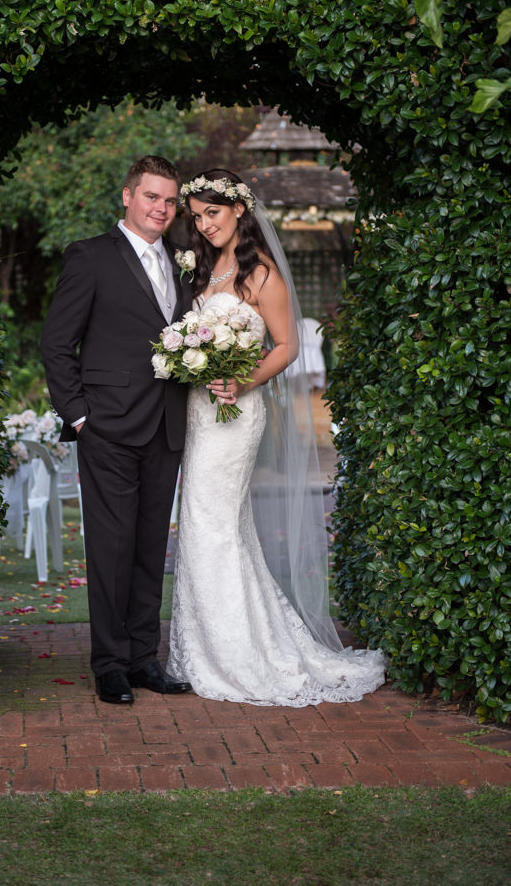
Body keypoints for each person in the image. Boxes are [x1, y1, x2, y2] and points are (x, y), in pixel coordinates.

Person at [167, 169, 386, 706]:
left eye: (212, 213)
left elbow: (286, 346)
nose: (203, 224)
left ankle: (238, 656)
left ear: (240, 210)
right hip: (200, 408)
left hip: (236, 413)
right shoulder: (199, 267)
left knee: (212, 523)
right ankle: (206, 647)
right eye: (195, 216)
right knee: (209, 525)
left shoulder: (262, 274)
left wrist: (241, 379)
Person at [41, 156, 193, 704]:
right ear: (127, 197)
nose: (161, 208)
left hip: (167, 424)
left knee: (152, 546)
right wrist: (79, 416)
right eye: (151, 196)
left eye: (169, 200)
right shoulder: (89, 256)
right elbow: (57, 343)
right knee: (110, 547)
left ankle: (142, 658)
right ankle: (108, 664)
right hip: (106, 426)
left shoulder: (184, 261)